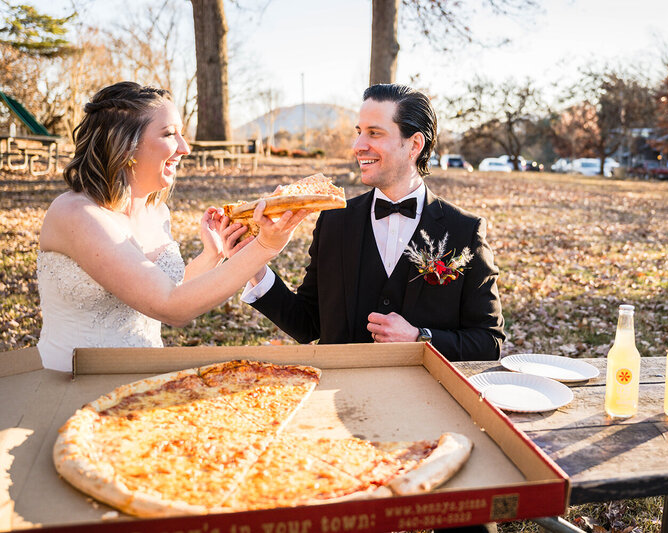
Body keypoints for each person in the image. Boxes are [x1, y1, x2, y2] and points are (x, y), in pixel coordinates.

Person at [36, 81, 308, 372]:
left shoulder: (157, 211)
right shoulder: (75, 214)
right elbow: (171, 307)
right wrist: (265, 246)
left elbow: (166, 289)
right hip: (71, 381)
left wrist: (212, 254)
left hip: (147, 379)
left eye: (182, 134)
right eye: (169, 134)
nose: (185, 148)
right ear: (125, 144)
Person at [228, 83, 504, 362]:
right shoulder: (334, 221)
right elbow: (306, 323)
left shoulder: (464, 231)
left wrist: (420, 337)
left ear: (414, 145)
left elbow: (488, 342)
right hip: (339, 391)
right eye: (359, 133)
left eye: (374, 133)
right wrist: (253, 266)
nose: (358, 146)